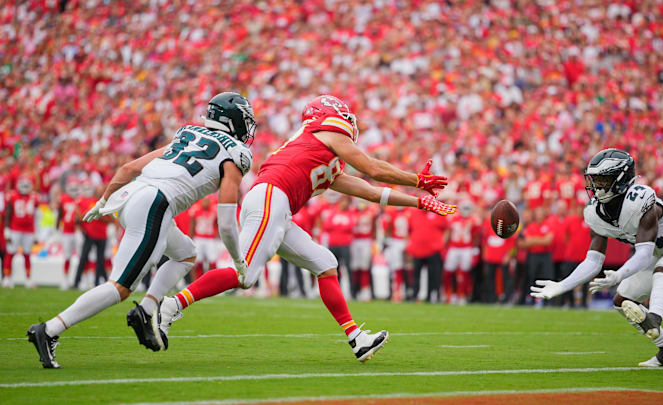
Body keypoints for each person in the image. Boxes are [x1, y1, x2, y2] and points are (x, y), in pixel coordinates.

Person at [155, 95, 455, 363]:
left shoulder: (319, 153)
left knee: (325, 264)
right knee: (244, 275)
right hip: (272, 197)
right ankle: (171, 305)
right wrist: (416, 180)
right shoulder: (327, 130)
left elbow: (373, 192)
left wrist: (419, 203)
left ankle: (357, 339)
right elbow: (373, 169)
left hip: (276, 205)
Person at [26, 92, 256, 368]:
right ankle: (49, 329)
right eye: (244, 119)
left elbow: (129, 168)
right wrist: (238, 260)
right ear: (232, 122)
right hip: (156, 204)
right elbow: (227, 223)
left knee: (185, 253)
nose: (248, 125)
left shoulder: (188, 133)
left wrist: (103, 201)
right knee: (120, 288)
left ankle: (147, 309)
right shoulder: (235, 154)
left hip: (130, 196)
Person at [531, 149, 663, 367]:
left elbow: (643, 254)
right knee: (622, 300)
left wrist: (618, 275)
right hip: (658, 254)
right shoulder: (594, 212)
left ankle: (654, 317)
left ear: (621, 179)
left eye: (603, 180)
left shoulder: (641, 200)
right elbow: (593, 261)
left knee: (662, 271)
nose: (597, 186)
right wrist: (562, 285)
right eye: (594, 180)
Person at [4, 177, 38, 289]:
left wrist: (36, 232)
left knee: (27, 254)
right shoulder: (13, 196)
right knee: (10, 253)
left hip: (29, 230)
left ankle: (28, 279)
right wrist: (7, 229)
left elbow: (36, 216)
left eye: (26, 186)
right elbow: (8, 213)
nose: (24, 188)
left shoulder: (33, 197)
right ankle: (7, 278)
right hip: (15, 229)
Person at [443, 201, 478, 304]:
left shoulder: (473, 220)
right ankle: (449, 294)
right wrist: (445, 247)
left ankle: (462, 295)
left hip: (467, 248)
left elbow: (475, 236)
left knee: (465, 273)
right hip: (454, 247)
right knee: (448, 271)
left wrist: (475, 250)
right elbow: (448, 234)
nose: (466, 211)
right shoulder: (453, 219)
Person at [57, 179, 81, 290]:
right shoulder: (63, 199)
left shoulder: (80, 199)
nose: (73, 191)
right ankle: (65, 279)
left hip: (78, 231)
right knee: (67, 256)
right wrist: (57, 227)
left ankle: (83, 280)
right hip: (66, 231)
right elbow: (60, 213)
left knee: (82, 256)